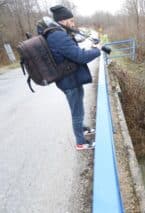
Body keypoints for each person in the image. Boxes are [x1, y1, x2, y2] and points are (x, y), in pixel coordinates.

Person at [47, 5, 101, 150]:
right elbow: (79, 56)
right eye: (71, 20)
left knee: (78, 107)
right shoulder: (57, 36)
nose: (73, 23)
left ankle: (81, 128)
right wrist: (97, 51)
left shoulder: (59, 33)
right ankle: (80, 142)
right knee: (77, 111)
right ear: (63, 21)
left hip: (70, 78)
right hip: (68, 81)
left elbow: (73, 52)